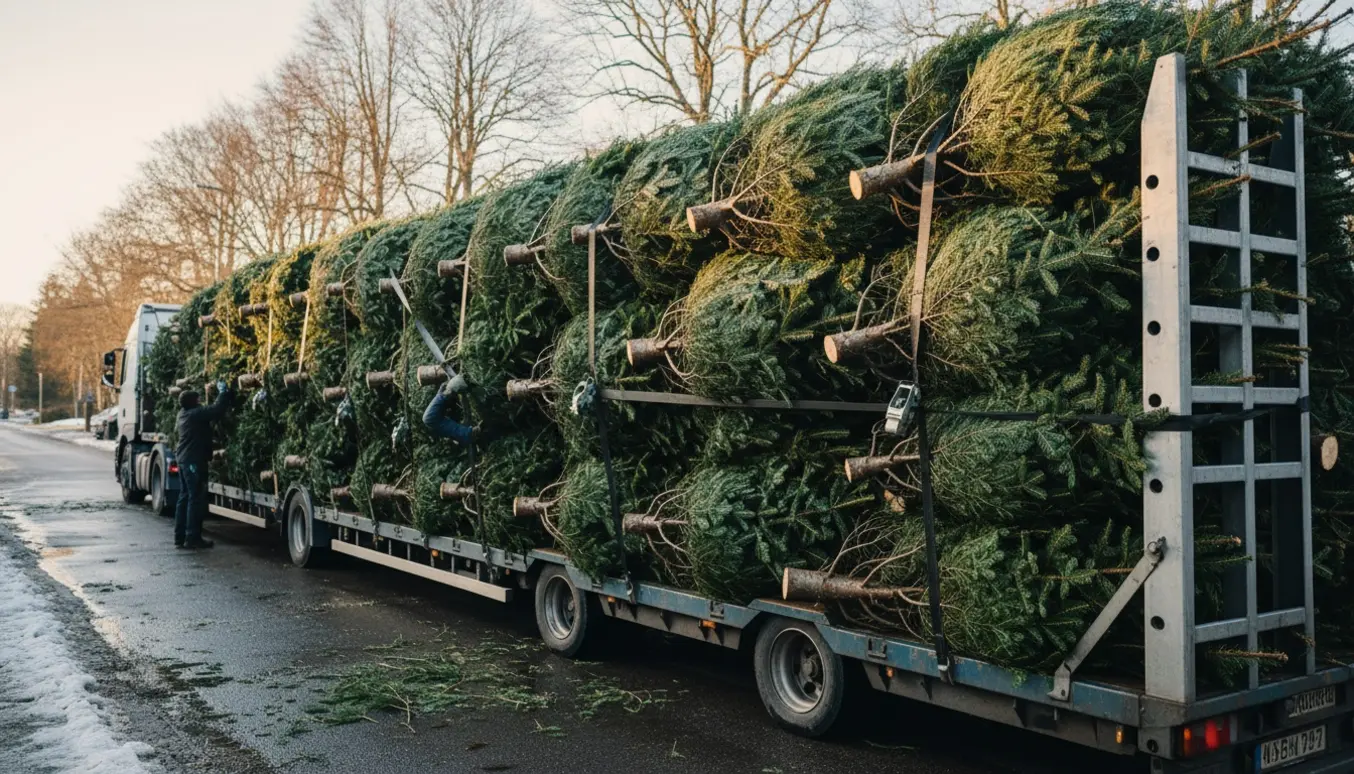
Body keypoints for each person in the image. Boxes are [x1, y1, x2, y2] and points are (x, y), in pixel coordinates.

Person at [174, 381, 233, 549]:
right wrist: (223, 393)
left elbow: (207, 412)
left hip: (185, 459)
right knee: (195, 497)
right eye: (198, 399)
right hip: (192, 460)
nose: (200, 401)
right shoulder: (194, 415)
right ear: (193, 403)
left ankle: (180, 537)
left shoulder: (183, 414)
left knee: (184, 496)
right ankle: (192, 537)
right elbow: (216, 410)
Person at [422, 373, 473, 446]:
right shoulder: (444, 395)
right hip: (432, 417)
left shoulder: (442, 393)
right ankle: (469, 433)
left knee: (452, 428)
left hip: (431, 417)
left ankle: (466, 435)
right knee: (453, 427)